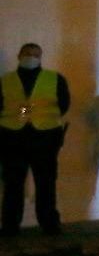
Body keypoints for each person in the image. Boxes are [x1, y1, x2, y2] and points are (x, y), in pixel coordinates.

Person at [1, 44, 70, 236]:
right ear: (19, 55)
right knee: (13, 185)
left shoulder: (55, 78)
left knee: (46, 184)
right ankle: (10, 226)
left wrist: (34, 114)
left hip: (45, 139)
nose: (31, 57)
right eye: (27, 54)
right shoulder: (6, 80)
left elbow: (64, 105)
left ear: (41, 57)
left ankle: (49, 223)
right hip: (12, 139)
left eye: (35, 54)